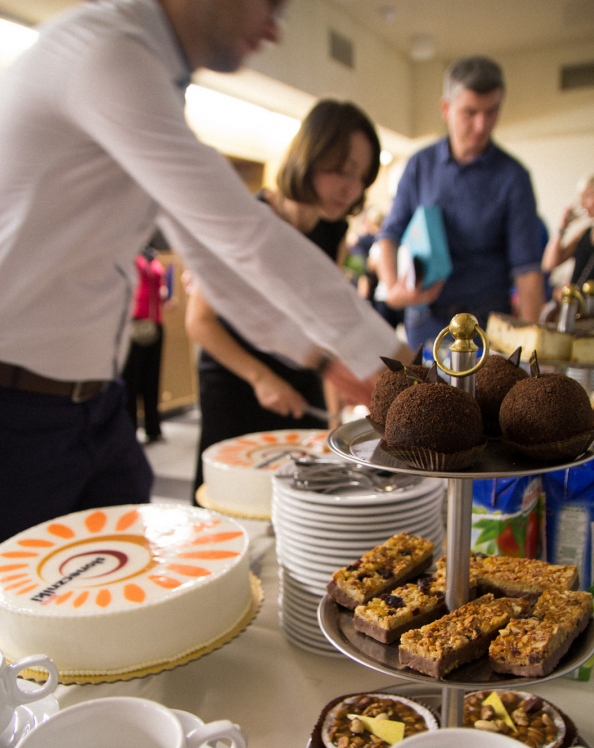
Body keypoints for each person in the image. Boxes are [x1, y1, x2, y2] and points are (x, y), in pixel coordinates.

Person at [0, 0, 408, 543]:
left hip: (95, 404)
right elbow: (243, 233)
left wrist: (321, 356)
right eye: (269, 4)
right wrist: (396, 361)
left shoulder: (151, 76)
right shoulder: (109, 53)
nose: (274, 29)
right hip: (16, 408)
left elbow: (213, 263)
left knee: (123, 584)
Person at [186, 99, 381, 495]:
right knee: (234, 496)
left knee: (305, 494)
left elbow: (324, 328)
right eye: (343, 172)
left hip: (301, 376)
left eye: (361, 176)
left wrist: (333, 413)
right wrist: (261, 378)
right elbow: (199, 322)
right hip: (237, 379)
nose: (351, 188)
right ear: (310, 157)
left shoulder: (332, 231)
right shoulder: (253, 220)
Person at [376, 55, 544, 349]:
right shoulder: (419, 165)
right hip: (425, 322)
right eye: (470, 112)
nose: (481, 125)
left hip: (485, 327)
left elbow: (527, 271)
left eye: (491, 112)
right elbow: (388, 235)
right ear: (446, 108)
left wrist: (532, 354)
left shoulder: (513, 177)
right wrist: (393, 289)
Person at [122, 245, 171, 444]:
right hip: (135, 324)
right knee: (131, 383)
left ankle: (153, 428)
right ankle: (130, 431)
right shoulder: (129, 254)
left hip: (155, 323)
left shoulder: (152, 257)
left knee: (152, 380)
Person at [542, 174, 594, 288]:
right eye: (581, 197)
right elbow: (549, 264)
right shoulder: (585, 233)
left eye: (588, 196)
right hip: (576, 303)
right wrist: (562, 228)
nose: (582, 202)